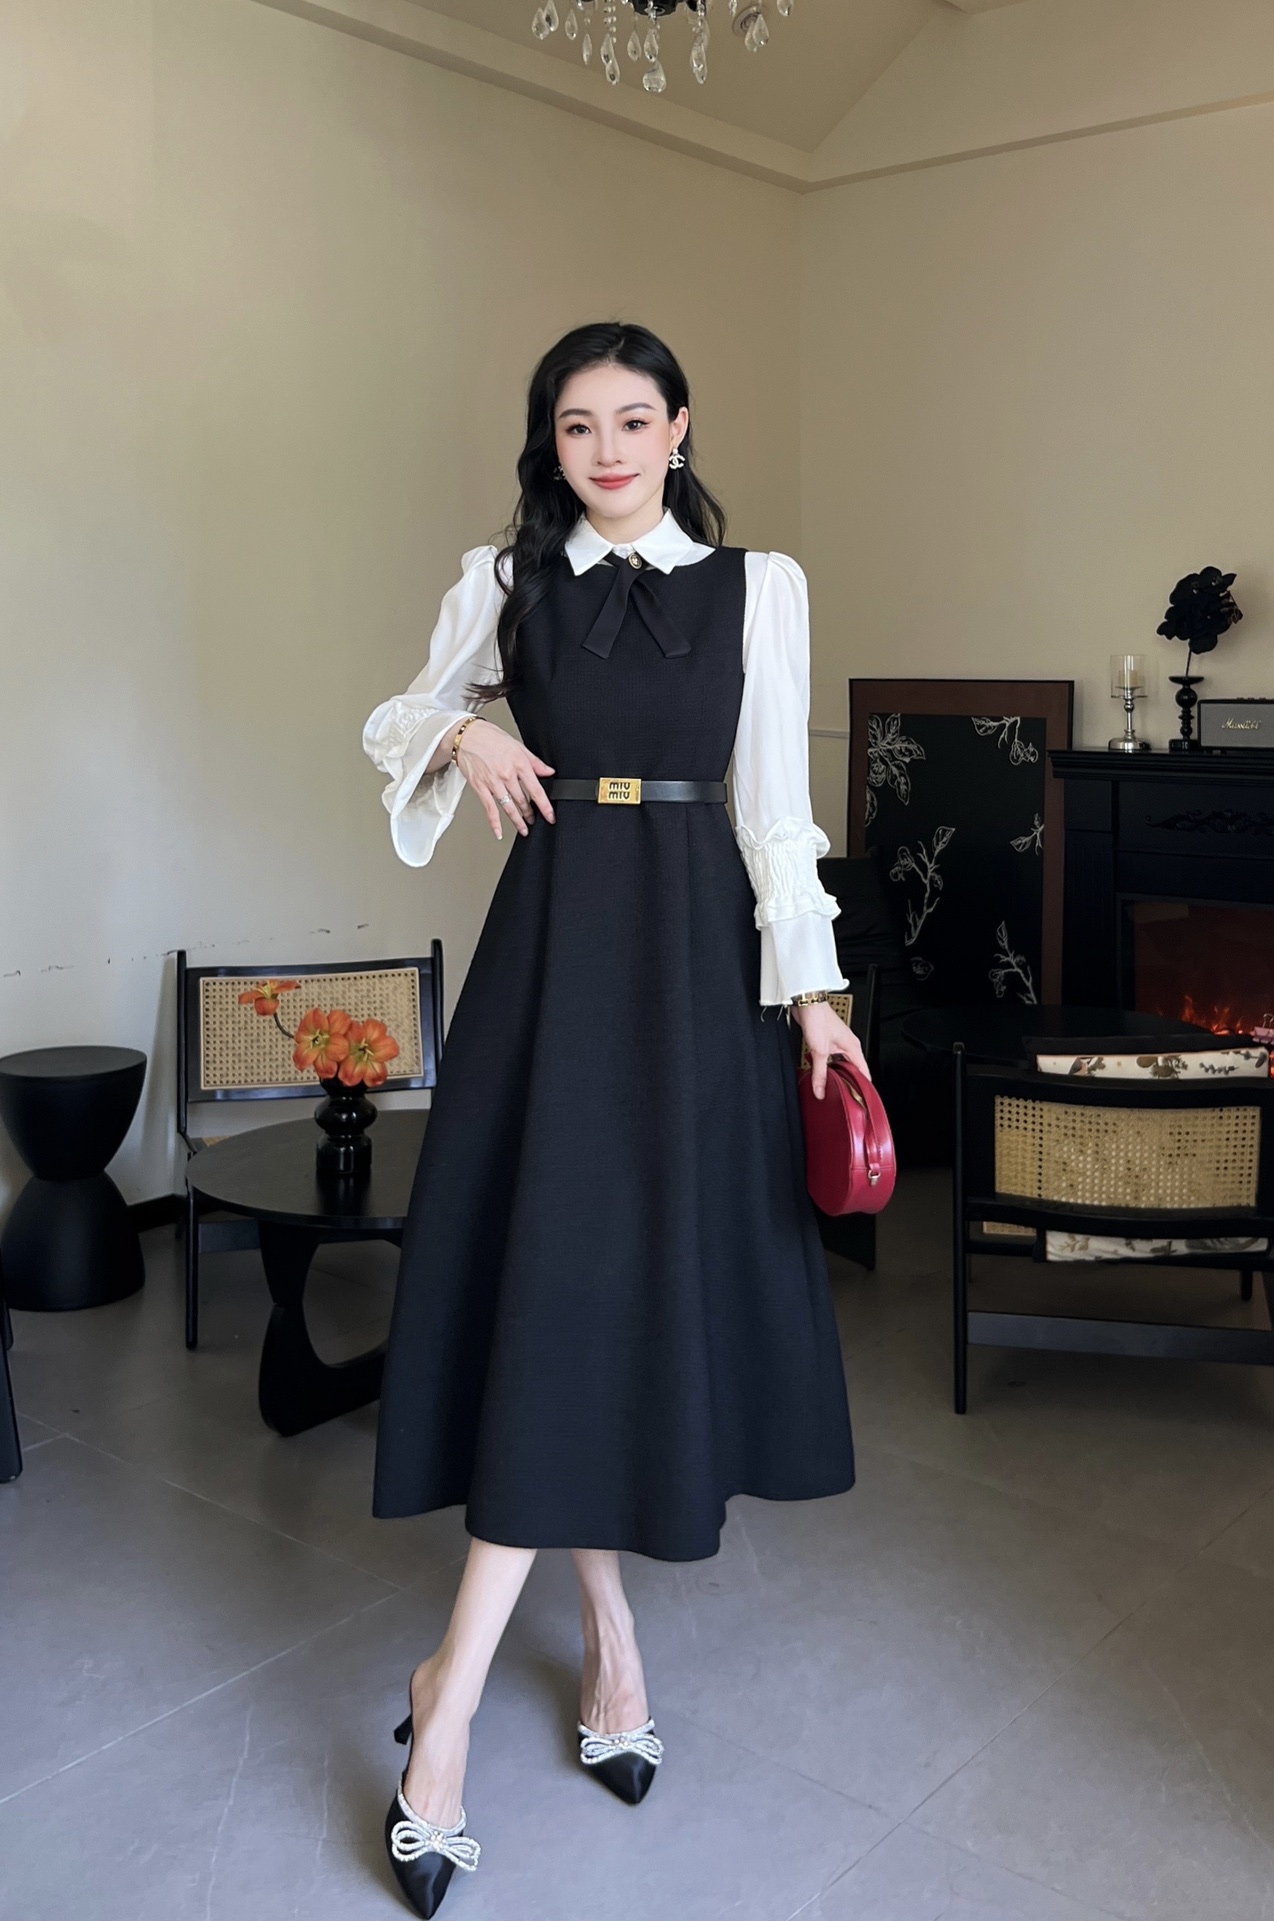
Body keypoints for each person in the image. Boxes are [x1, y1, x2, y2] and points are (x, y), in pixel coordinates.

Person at [362, 320, 865, 1917]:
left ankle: (549, 1657)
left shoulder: (758, 586)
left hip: (696, 965)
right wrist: (464, 727)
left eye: (631, 420)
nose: (604, 449)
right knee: (561, 1285)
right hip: (553, 957)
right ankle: (470, 1701)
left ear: (678, 426)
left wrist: (813, 991)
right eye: (575, 424)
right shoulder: (503, 578)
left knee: (616, 1294)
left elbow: (774, 808)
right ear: (552, 440)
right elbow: (392, 717)